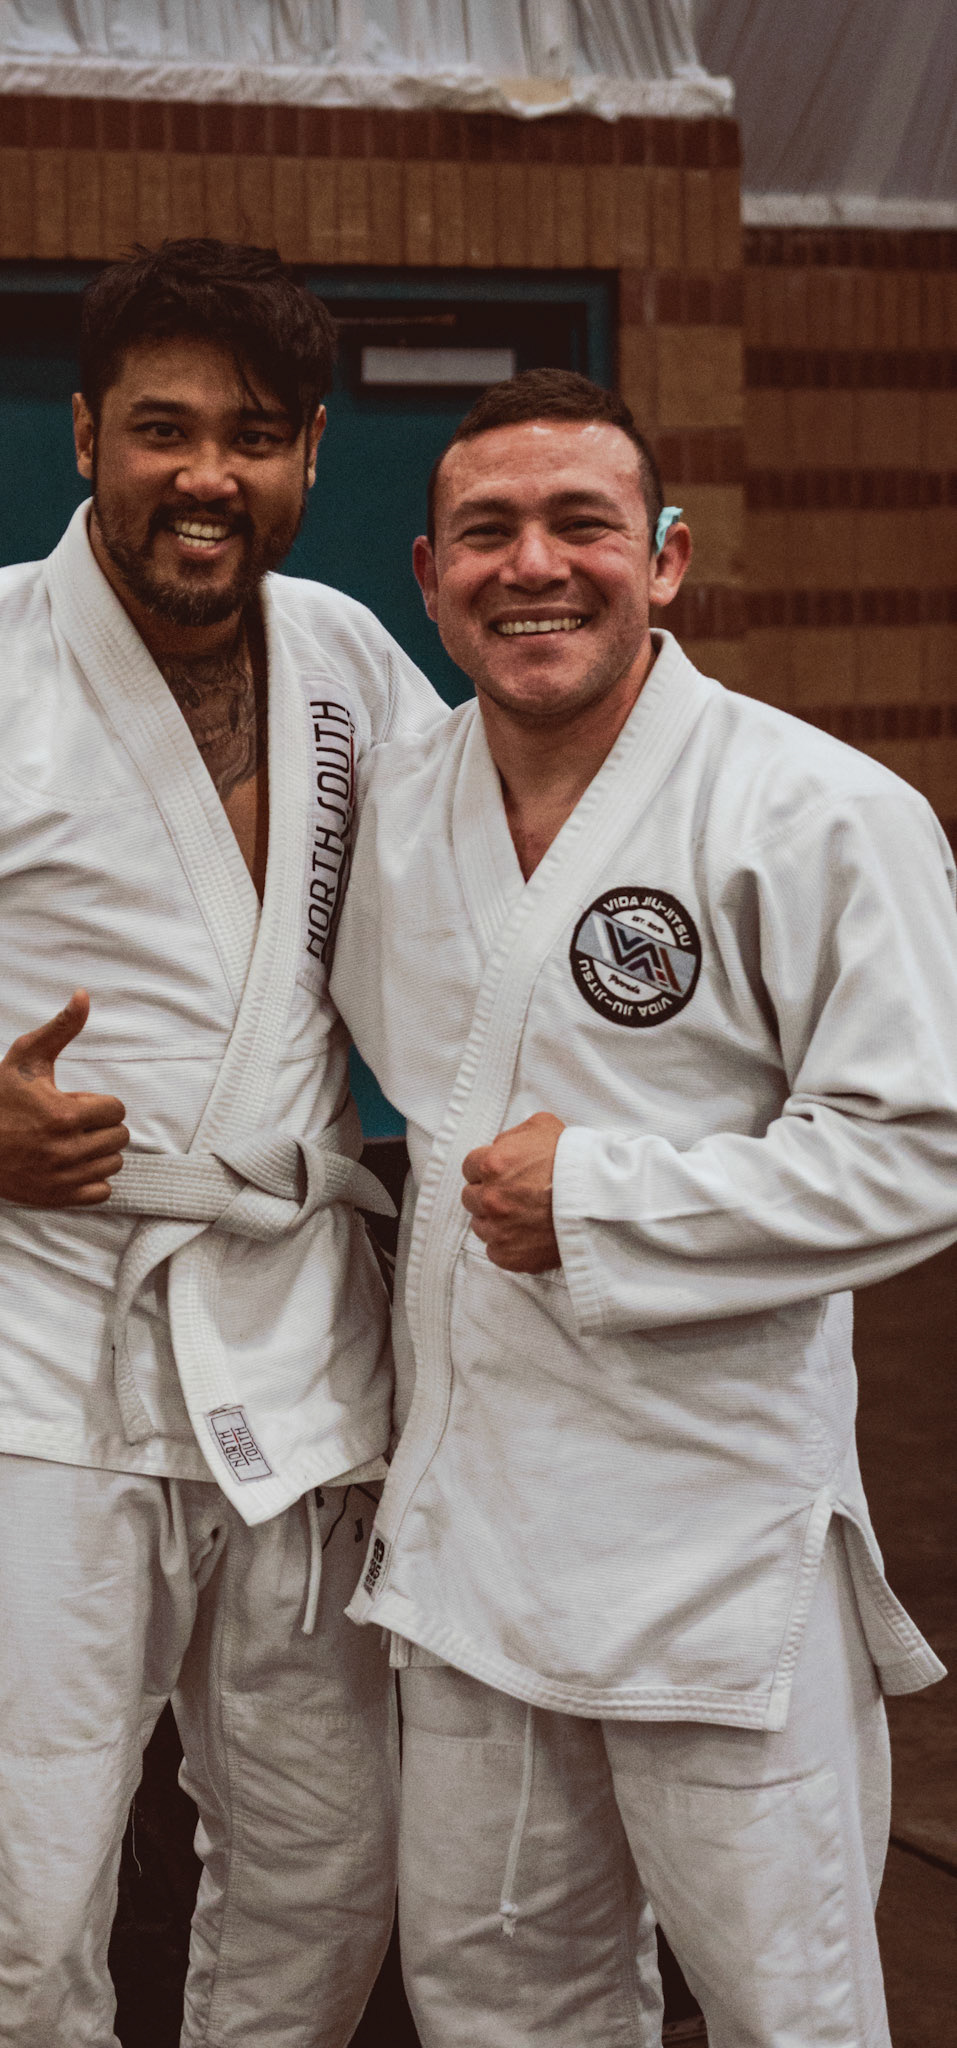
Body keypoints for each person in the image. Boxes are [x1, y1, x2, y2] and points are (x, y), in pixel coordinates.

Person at [0, 239, 446, 2048]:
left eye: (251, 435)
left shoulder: (350, 659)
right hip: (54, 1331)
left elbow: (451, 930)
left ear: (309, 452)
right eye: (162, 428)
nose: (207, 475)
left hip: (294, 1325)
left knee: (326, 1851)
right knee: (38, 1871)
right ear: (83, 435)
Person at [331, 367, 954, 2048]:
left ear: (664, 558)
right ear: (429, 577)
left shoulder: (819, 811)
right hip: (470, 1532)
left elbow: (922, 1147)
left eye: (580, 524)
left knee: (783, 2006)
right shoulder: (392, 808)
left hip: (710, 1537)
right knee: (493, 2001)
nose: (532, 564)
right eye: (486, 532)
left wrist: (604, 1200)